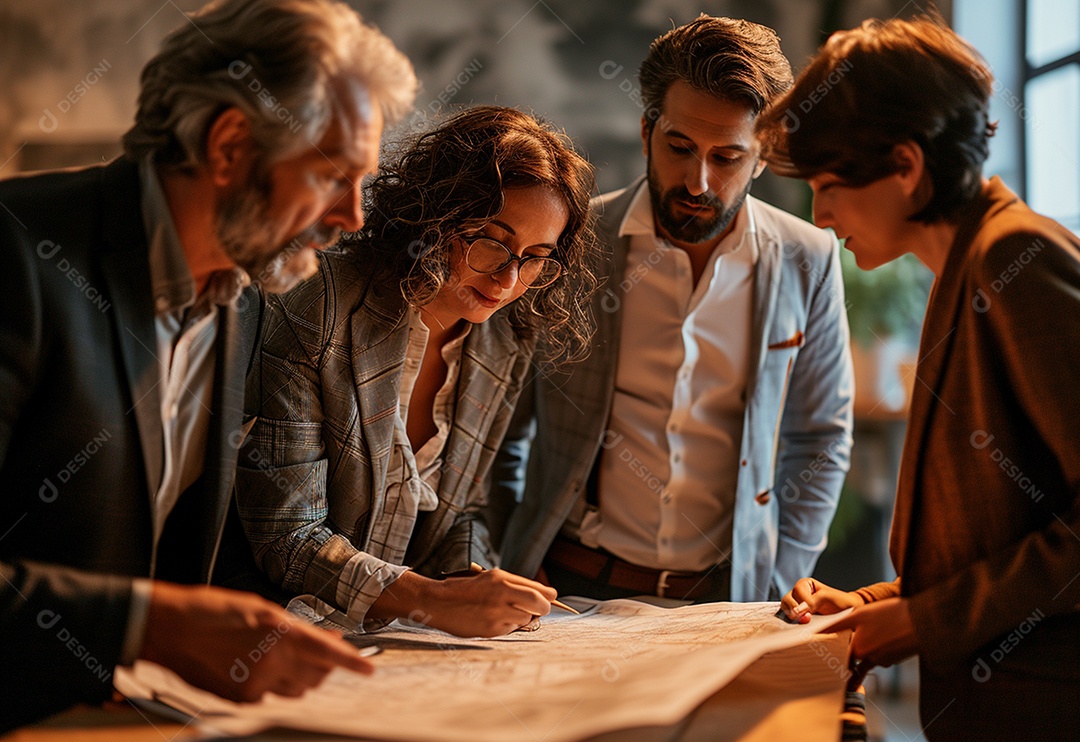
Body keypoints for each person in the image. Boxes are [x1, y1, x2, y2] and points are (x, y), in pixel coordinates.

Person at [0, 0, 417, 730]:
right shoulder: (14, 255)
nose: (353, 215)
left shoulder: (242, 291)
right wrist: (142, 625)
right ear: (229, 146)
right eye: (332, 176)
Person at [759, 17, 1080, 740]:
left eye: (830, 184)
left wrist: (920, 621)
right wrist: (877, 603)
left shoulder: (1013, 256)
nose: (822, 213)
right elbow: (1007, 535)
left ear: (905, 166)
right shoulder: (961, 262)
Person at [489, 15, 853, 603]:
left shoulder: (806, 258)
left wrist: (780, 579)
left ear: (763, 157)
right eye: (679, 147)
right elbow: (501, 421)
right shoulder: (573, 243)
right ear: (645, 131)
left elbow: (821, 439)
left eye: (728, 158)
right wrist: (510, 552)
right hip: (568, 589)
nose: (698, 181)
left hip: (726, 601)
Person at [232, 105, 597, 637]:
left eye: (536, 256)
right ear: (436, 214)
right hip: (275, 635)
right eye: (492, 239)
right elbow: (286, 533)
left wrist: (475, 580)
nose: (508, 276)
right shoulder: (320, 302)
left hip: (402, 647)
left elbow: (463, 509)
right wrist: (427, 599)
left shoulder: (504, 338)